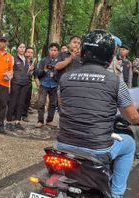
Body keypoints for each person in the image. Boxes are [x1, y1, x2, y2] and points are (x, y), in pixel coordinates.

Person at [56, 29, 138, 198]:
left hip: (62, 145)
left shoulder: (65, 78)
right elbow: (133, 117)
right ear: (109, 56)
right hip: (97, 149)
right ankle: (116, 193)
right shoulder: (116, 82)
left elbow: (62, 106)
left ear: (83, 52)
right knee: (129, 143)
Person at [34, 43, 59, 128]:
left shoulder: (59, 61)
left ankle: (49, 120)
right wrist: (44, 70)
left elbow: (61, 74)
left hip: (54, 85)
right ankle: (40, 121)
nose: (53, 52)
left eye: (55, 50)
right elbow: (37, 73)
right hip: (44, 84)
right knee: (41, 103)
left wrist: (56, 74)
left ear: (57, 51)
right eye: (51, 50)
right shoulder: (43, 60)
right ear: (49, 51)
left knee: (53, 104)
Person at [5, 42, 27, 131]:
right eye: (21, 47)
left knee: (21, 103)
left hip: (25, 84)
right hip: (15, 83)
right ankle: (9, 122)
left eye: (24, 47)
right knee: (12, 102)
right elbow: (9, 70)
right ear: (17, 48)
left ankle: (17, 121)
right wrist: (9, 83)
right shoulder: (13, 58)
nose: (22, 49)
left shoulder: (26, 59)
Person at [21, 47, 35, 122]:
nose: (30, 54)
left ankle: (25, 115)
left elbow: (33, 74)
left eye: (31, 52)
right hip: (20, 82)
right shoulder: (22, 60)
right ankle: (17, 114)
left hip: (29, 82)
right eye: (28, 52)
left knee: (27, 99)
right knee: (20, 99)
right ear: (25, 53)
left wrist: (32, 70)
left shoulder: (33, 62)